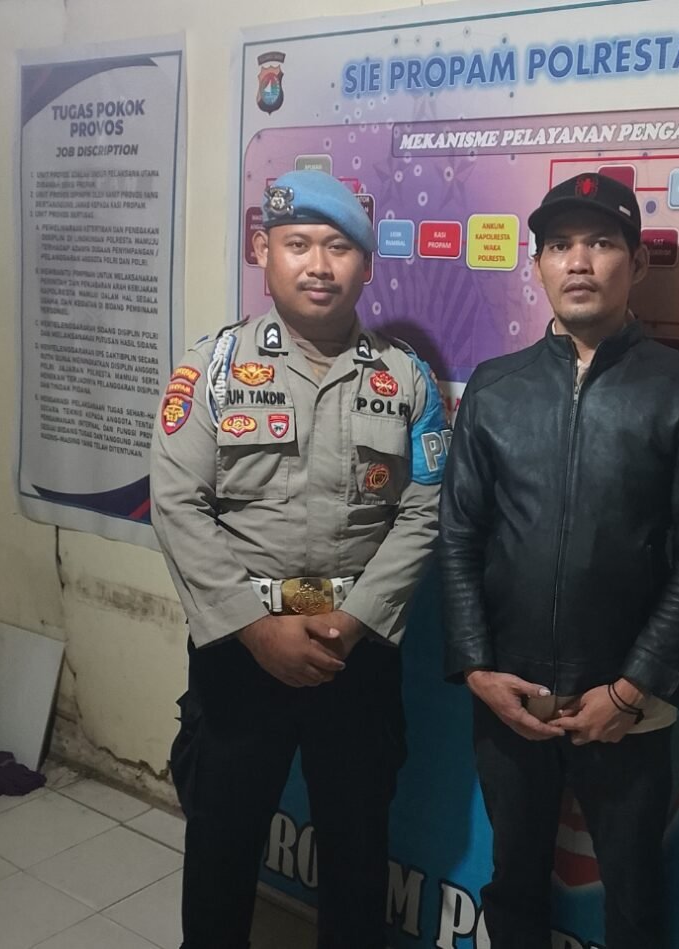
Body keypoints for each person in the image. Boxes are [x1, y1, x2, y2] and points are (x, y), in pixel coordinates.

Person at [150, 170, 449, 949]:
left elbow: (423, 509)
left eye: (339, 247)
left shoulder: (405, 377)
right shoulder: (213, 368)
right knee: (222, 837)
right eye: (298, 244)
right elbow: (177, 503)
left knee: (357, 843)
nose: (319, 264)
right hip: (240, 648)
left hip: (357, 651)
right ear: (263, 250)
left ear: (367, 264)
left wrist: (354, 621)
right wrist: (255, 628)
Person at [439, 172, 679, 949]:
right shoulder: (495, 389)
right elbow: (459, 534)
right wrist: (477, 668)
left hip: (625, 705)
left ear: (637, 263)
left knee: (635, 897)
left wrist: (631, 689)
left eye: (601, 242)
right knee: (513, 879)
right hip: (511, 698)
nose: (578, 261)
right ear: (537, 264)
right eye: (560, 244)